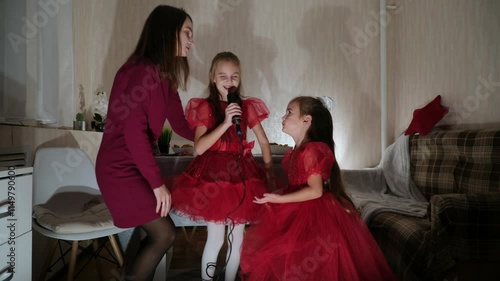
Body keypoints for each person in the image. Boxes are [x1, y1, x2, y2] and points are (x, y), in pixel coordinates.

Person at [239, 96, 397, 281]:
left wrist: (278, 199)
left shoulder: (312, 150)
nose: (283, 117)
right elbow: (297, 186)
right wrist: (277, 196)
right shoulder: (297, 150)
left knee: (310, 260)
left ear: (307, 120)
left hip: (315, 211)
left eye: (289, 112)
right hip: (298, 206)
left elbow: (316, 191)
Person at [95, 5, 195, 281]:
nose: (191, 40)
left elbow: (181, 124)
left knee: (148, 233)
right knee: (165, 233)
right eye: (187, 32)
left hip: (135, 164)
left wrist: (217, 131)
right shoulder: (141, 71)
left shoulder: (165, 77)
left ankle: (125, 274)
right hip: (120, 168)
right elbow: (133, 131)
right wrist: (156, 183)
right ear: (168, 32)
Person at [170, 51, 275, 281]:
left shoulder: (246, 107)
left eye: (234, 77)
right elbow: (199, 148)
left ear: (240, 79)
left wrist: (269, 172)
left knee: (237, 237)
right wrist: (226, 121)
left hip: (242, 173)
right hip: (213, 174)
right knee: (216, 237)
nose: (229, 82)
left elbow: (264, 141)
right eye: (223, 76)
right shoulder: (205, 107)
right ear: (213, 78)